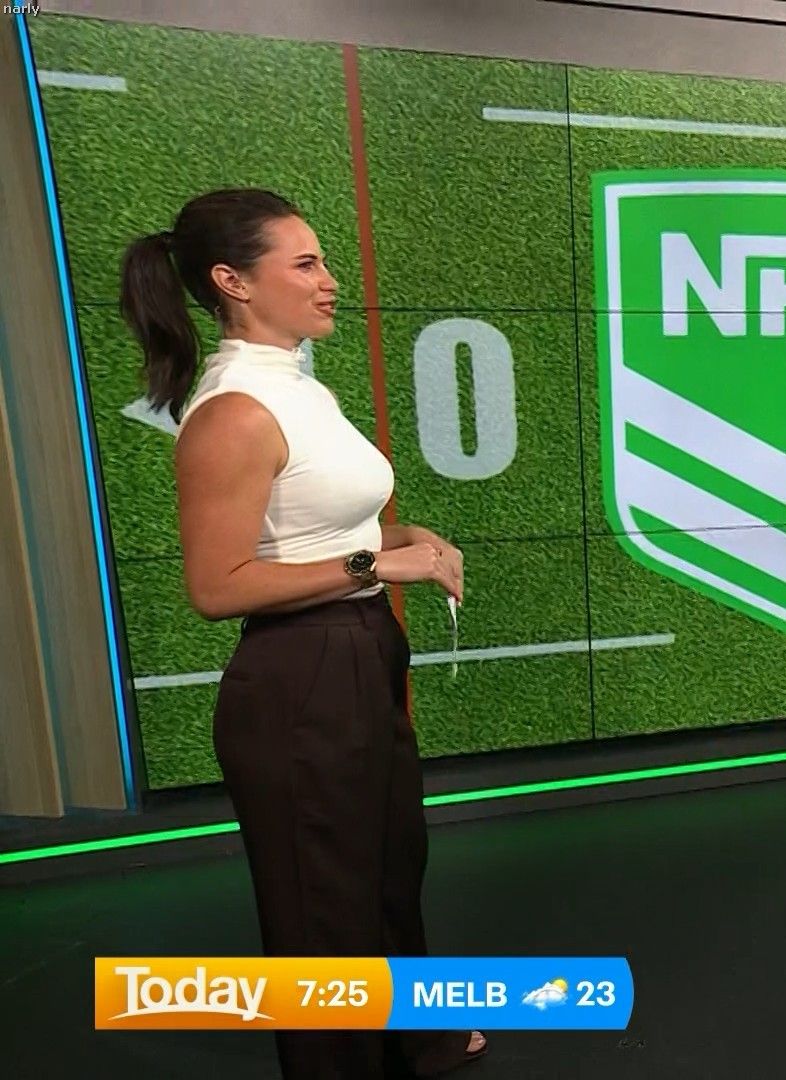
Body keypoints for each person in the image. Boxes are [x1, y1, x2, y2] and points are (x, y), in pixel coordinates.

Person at [118, 188, 488, 1078]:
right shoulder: (233, 411)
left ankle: (418, 1037)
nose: (330, 281)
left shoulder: (297, 386)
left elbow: (314, 526)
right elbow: (218, 586)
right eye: (306, 263)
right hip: (300, 678)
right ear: (233, 282)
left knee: (390, 871)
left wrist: (400, 537)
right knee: (322, 909)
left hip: (360, 652)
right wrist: (374, 566)